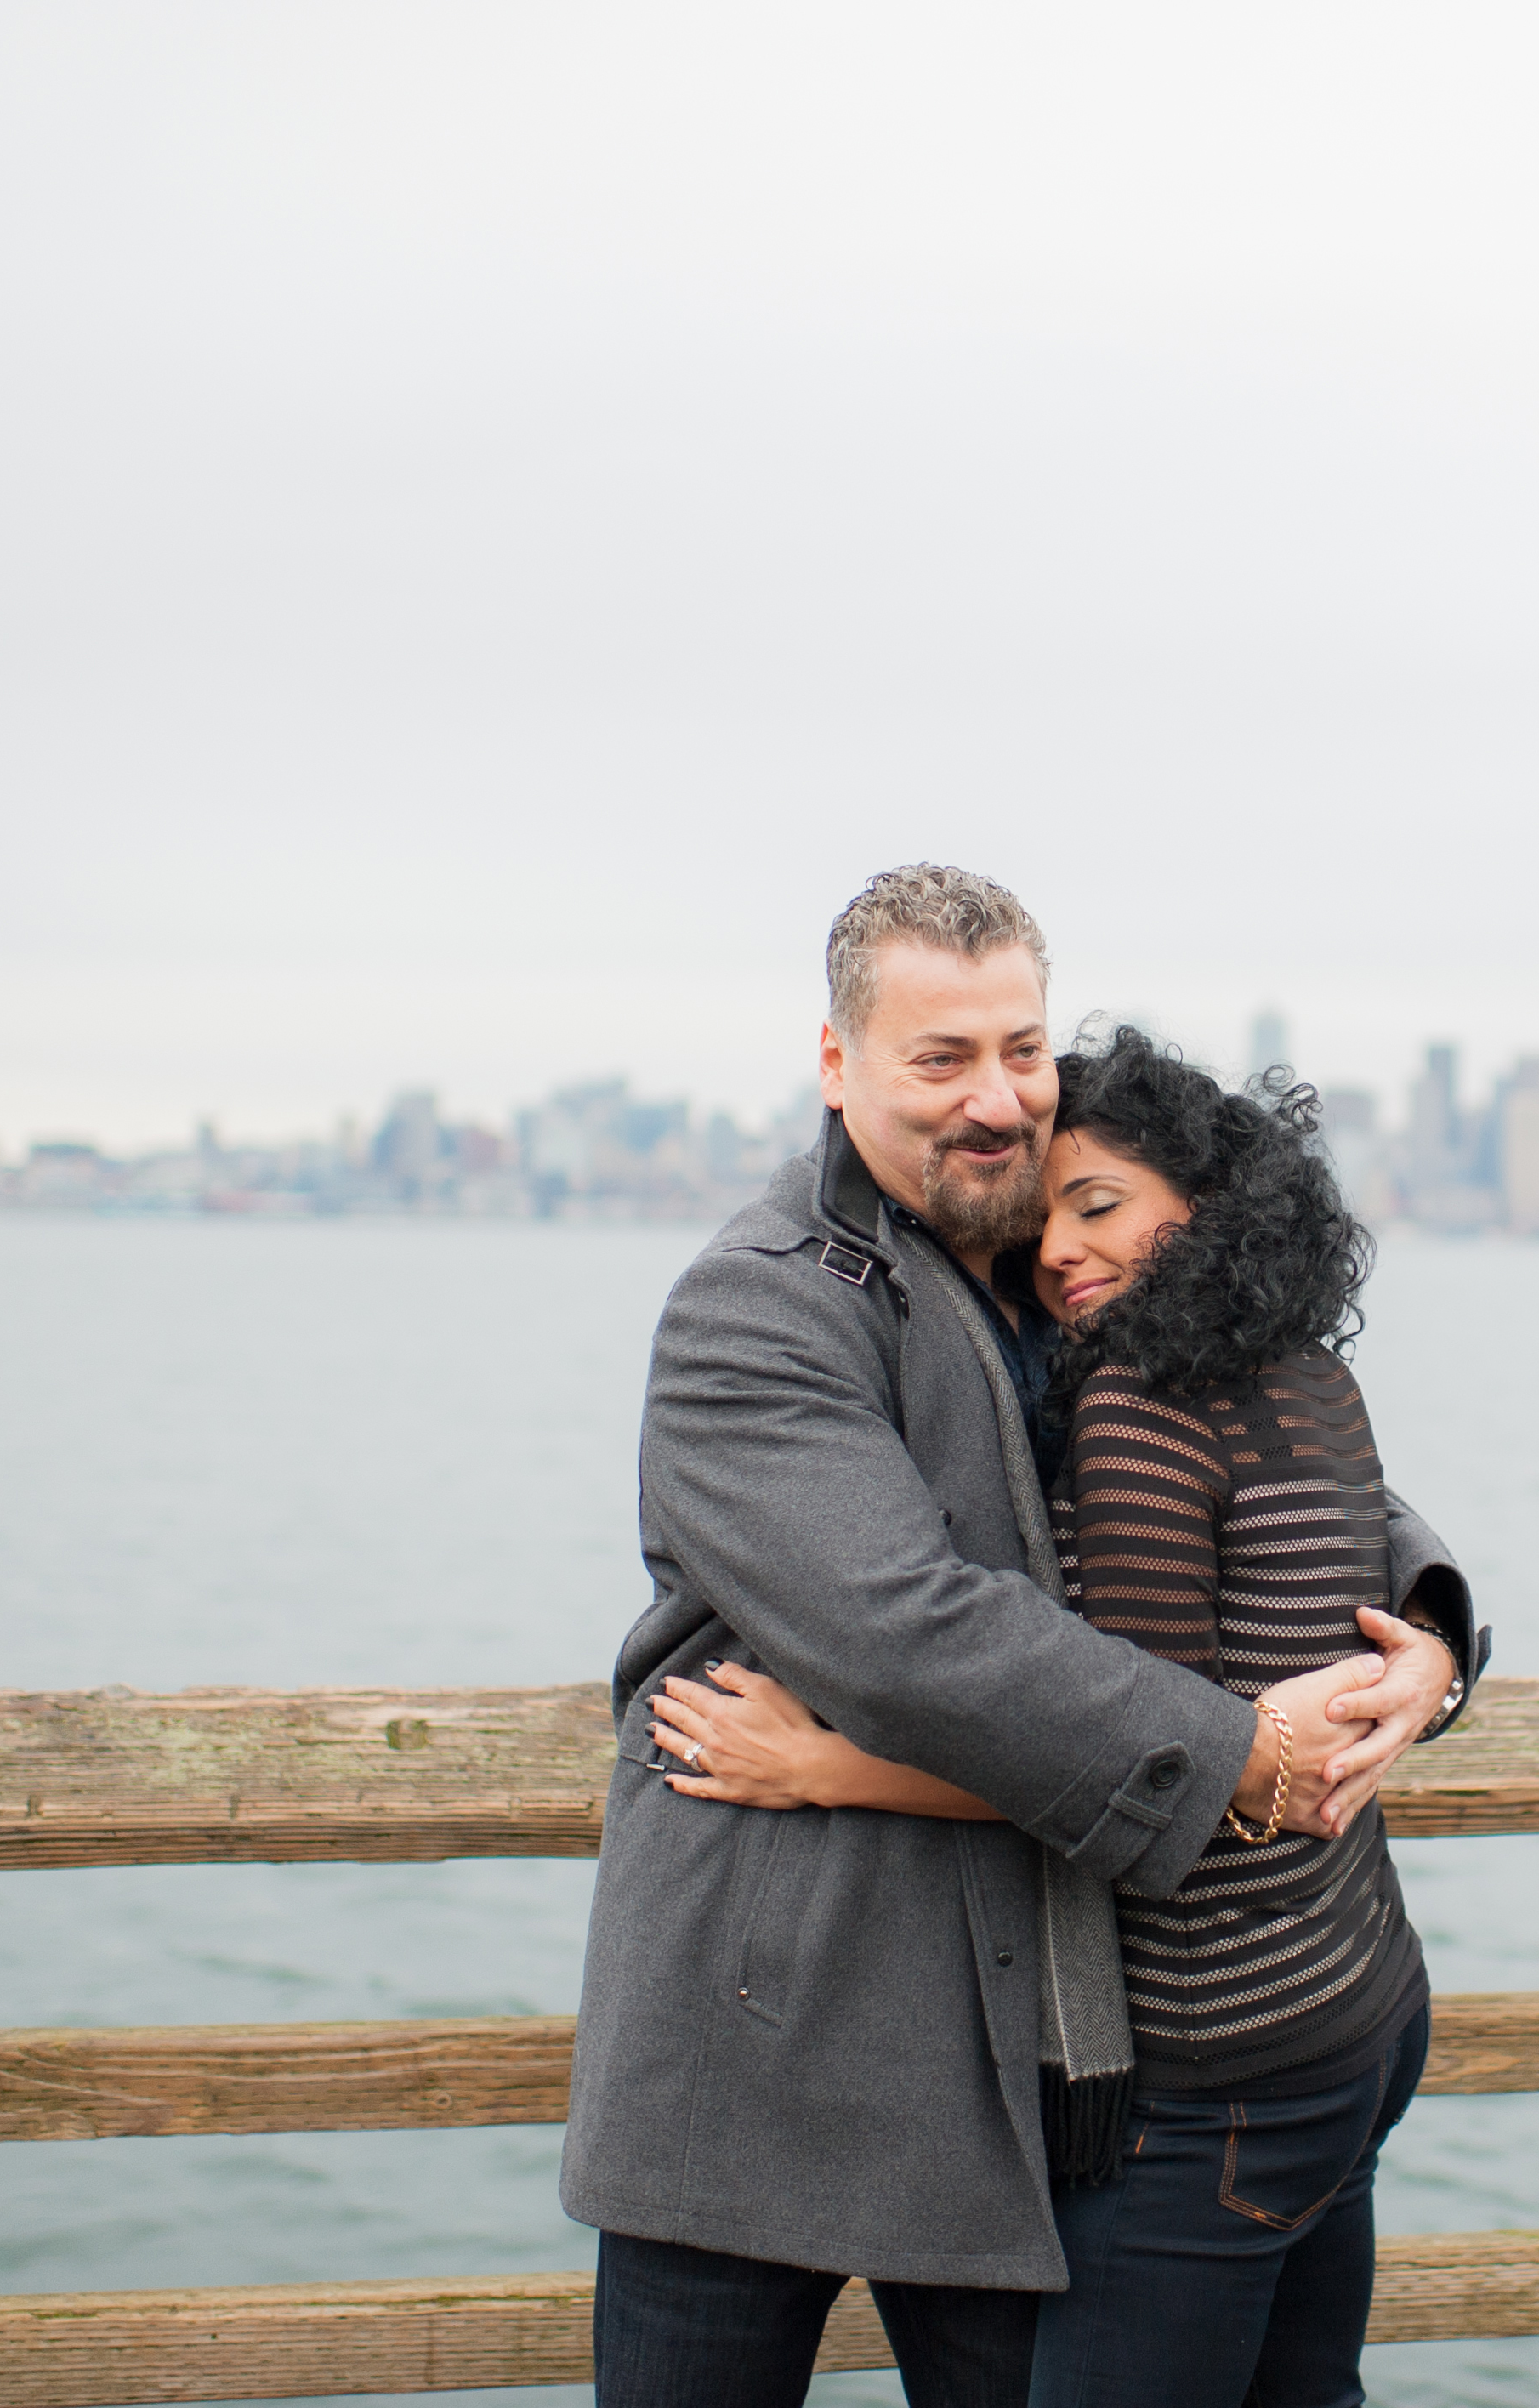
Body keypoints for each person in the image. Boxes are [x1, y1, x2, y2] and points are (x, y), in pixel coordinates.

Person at [560, 866, 1475, 2408]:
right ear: (840, 1065)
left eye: (1022, 1050)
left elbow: (1280, 1457)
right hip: (757, 2023)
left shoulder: (1058, 1255)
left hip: (1005, 2053)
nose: (998, 1101)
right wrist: (1245, 1748)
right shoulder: (756, 1309)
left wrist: (1428, 1633)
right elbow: (905, 1632)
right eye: (942, 1058)